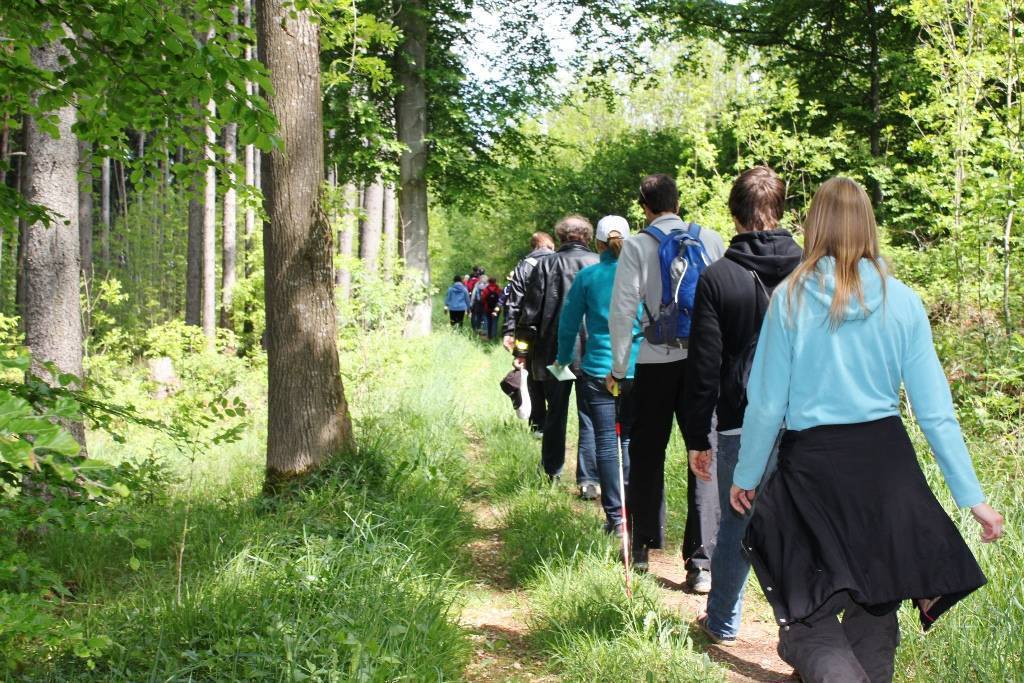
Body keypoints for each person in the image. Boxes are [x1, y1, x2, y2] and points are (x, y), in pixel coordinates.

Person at [732, 177, 1004, 682]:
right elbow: (935, 411)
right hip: (885, 467)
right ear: (868, 225)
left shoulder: (789, 298)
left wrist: (746, 475)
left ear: (814, 226)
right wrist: (973, 497)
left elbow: (767, 403)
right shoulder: (902, 301)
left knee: (807, 615)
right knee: (876, 607)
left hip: (813, 468)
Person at [680, 167, 802, 645]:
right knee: (798, 529)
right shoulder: (811, 270)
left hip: (740, 420)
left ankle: (723, 622)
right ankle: (801, 634)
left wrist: (697, 437)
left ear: (734, 214)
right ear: (784, 211)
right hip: (806, 421)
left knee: (737, 522)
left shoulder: (718, 277)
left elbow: (704, 366)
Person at [608, 173, 726, 587]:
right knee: (703, 455)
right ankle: (701, 564)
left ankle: (641, 548)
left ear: (644, 205)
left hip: (655, 363)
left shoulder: (638, 245)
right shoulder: (710, 240)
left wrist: (619, 370)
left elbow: (623, 312)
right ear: (677, 201)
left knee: (646, 453)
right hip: (703, 365)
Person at [555, 216, 641, 532]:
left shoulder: (588, 277)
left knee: (607, 441)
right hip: (636, 370)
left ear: (598, 244)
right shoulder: (644, 275)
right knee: (630, 439)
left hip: (597, 372)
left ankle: (616, 519)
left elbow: (568, 324)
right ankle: (634, 513)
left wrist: (563, 360)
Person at [515, 215, 600, 498]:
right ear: (587, 237)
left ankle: (551, 471)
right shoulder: (600, 263)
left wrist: (522, 350)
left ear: (561, 237)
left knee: (555, 413)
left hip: (556, 352)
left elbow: (530, 312)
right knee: (589, 415)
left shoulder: (545, 264)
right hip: (593, 352)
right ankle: (589, 480)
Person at [503, 232, 556, 435]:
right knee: (555, 375)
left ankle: (537, 425)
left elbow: (513, 302)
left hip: (528, 330)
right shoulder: (559, 262)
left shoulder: (524, 265)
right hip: (555, 330)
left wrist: (509, 331)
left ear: (533, 246)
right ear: (550, 245)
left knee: (531, 373)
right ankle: (554, 422)